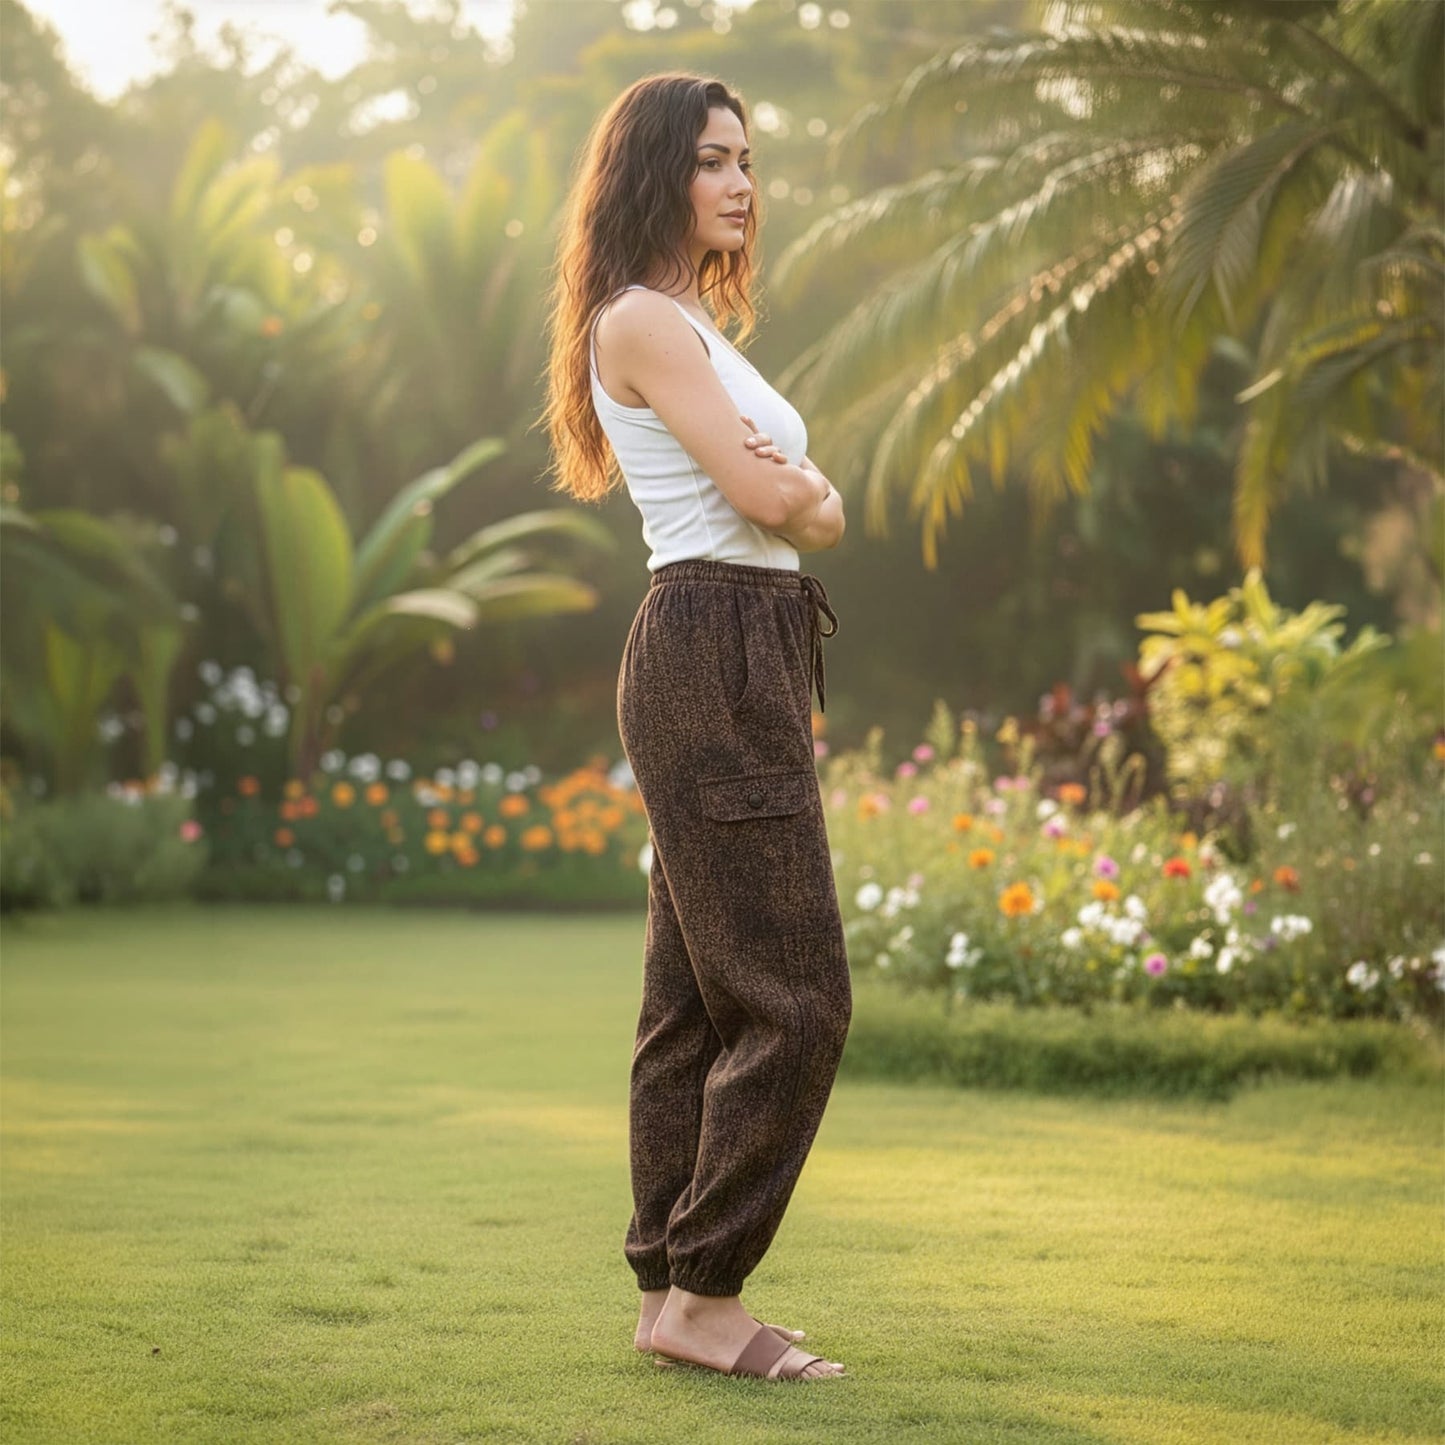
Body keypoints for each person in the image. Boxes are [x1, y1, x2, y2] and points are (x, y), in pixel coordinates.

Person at [539, 73, 851, 1384]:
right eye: (712, 158)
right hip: (713, 646)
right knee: (799, 999)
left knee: (689, 1000)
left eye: (747, 158)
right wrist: (805, 487)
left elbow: (804, 512)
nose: (739, 181)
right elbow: (773, 499)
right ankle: (704, 1285)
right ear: (655, 171)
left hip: (740, 643)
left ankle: (673, 1287)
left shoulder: (690, 327)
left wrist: (803, 498)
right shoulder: (645, 325)